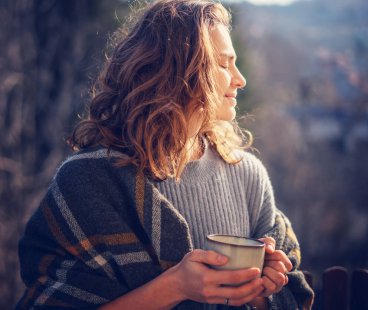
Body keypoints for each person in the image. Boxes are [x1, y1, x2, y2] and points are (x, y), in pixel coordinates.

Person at [16, 0, 314, 309]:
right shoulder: (88, 181)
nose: (240, 79)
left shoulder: (248, 175)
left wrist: (262, 290)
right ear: (176, 72)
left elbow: (288, 296)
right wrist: (176, 287)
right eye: (224, 64)